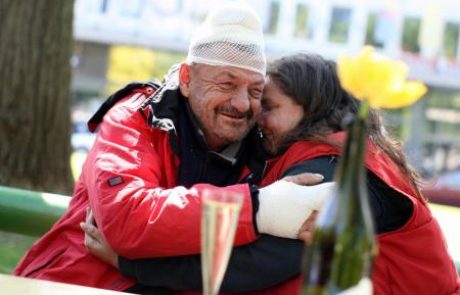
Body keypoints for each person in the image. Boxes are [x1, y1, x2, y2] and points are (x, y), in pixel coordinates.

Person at [13, 3, 333, 294]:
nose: (241, 103)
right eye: (226, 83)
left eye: (255, 90)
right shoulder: (133, 117)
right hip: (71, 285)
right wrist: (259, 208)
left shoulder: (263, 149)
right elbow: (127, 218)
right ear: (186, 78)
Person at [84, 53, 460, 295]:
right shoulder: (322, 156)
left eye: (270, 106)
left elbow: (252, 266)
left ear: (311, 109)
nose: (255, 116)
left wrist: (129, 264)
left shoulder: (333, 173)